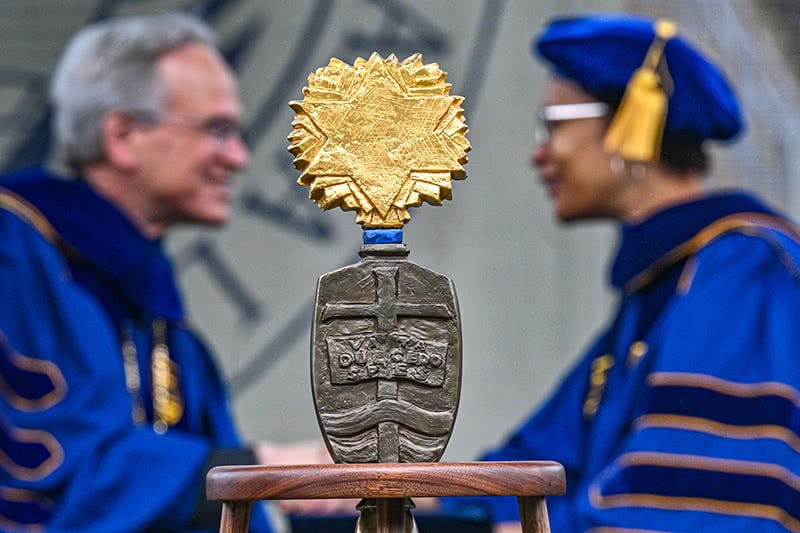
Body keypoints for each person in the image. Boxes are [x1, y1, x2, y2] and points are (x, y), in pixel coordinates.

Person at [444, 12, 800, 533]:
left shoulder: (742, 269)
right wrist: (382, 482)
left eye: (555, 125)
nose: (539, 153)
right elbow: (537, 467)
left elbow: (692, 506)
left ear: (630, 127)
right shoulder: (659, 284)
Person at [0, 12, 274, 532]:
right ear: (123, 136)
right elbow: (60, 474)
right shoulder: (16, 254)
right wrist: (261, 470)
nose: (238, 157)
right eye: (217, 130)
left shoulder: (149, 303)